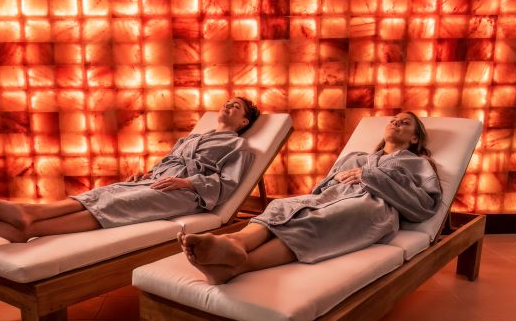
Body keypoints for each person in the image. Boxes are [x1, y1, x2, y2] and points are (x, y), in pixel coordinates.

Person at [180, 111, 442, 284]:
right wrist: (331, 182)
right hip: (332, 196)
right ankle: (235, 241)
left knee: (324, 218)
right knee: (283, 204)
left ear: (415, 137)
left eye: (405, 122)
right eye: (393, 120)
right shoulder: (357, 157)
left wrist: (370, 176)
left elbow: (425, 206)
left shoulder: (416, 163)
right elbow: (320, 188)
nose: (396, 123)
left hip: (373, 208)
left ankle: (241, 264)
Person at [0, 96, 260, 242]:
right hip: (158, 181)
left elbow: (227, 184)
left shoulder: (239, 148)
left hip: (186, 194)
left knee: (119, 202)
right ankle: (30, 212)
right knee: (104, 192)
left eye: (235, 106)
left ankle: (32, 230)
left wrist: (188, 184)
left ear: (244, 122)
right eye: (227, 103)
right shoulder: (193, 138)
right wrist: (146, 174)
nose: (228, 106)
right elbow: (168, 161)